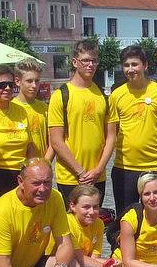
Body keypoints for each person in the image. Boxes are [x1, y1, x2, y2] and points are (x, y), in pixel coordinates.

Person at [48, 40, 116, 207]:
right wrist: (80, 171)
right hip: (71, 176)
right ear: (75, 62)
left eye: (94, 60)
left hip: (97, 175)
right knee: (71, 224)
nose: (90, 64)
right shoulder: (61, 95)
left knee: (92, 220)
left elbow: (111, 137)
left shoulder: (104, 96)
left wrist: (99, 169)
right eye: (85, 60)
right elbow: (56, 141)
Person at [109, 45, 157, 214]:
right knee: (125, 218)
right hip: (125, 167)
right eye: (126, 65)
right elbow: (112, 132)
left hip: (153, 165)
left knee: (155, 216)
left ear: (145, 65)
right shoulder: (116, 95)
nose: (130, 69)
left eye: (135, 64)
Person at [0, 64, 37, 199]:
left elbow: (29, 147)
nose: (7, 88)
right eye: (1, 85)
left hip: (21, 175)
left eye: (11, 85)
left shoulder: (21, 111)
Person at [13, 59, 53, 160]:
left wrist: (45, 163)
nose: (34, 86)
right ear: (18, 81)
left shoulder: (44, 108)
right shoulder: (10, 108)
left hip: (41, 168)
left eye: (37, 81)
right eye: (29, 81)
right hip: (19, 168)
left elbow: (52, 141)